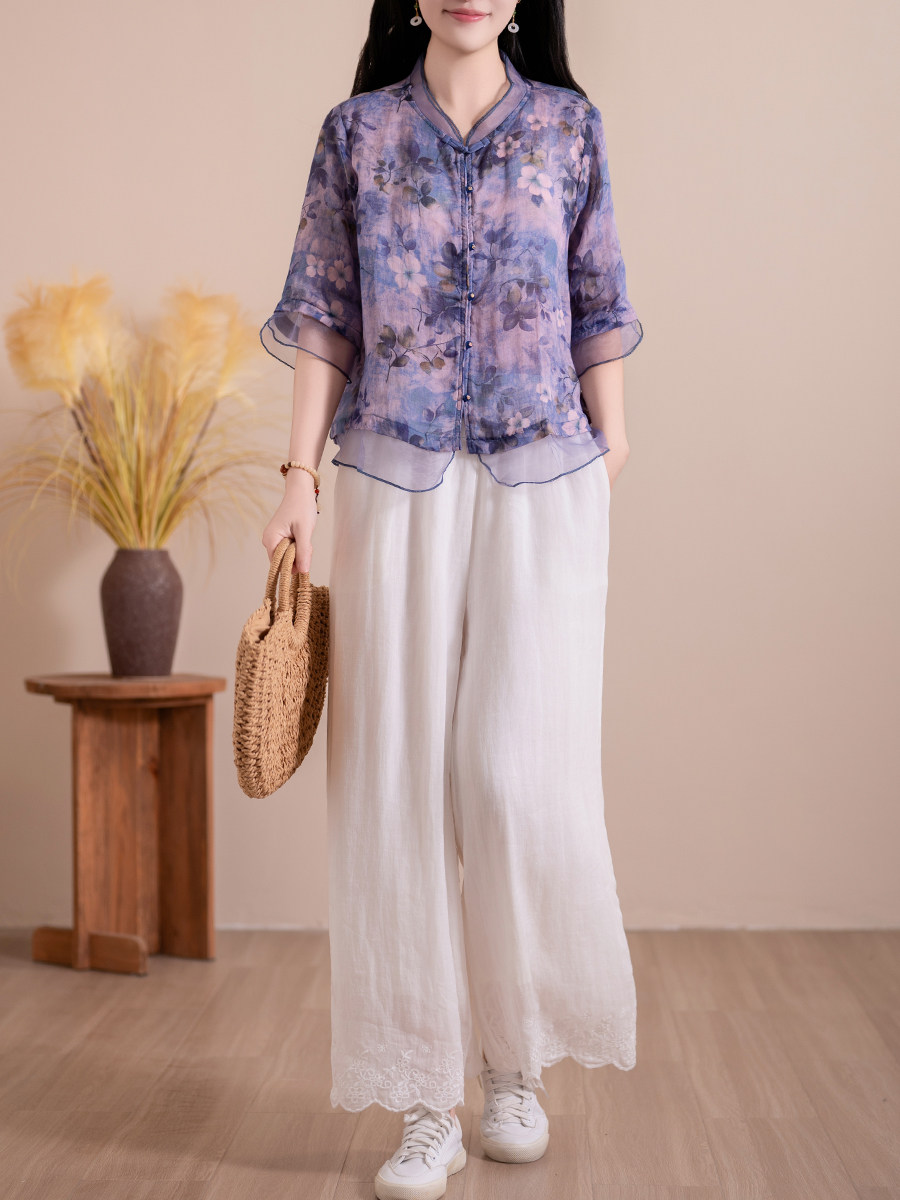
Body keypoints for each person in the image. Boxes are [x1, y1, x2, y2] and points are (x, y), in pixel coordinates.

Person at [260, 2, 643, 1197]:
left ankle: (511, 1066)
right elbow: (324, 316)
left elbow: (599, 300)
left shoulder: (569, 129)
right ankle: (425, 1099)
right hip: (394, 481)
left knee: (518, 778)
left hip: (545, 479)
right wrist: (298, 482)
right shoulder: (357, 134)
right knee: (397, 785)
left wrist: (612, 447)